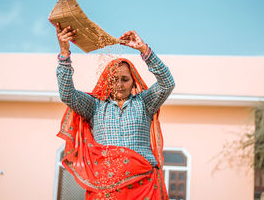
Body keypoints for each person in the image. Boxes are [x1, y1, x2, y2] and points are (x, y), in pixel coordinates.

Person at [55, 24, 175, 200]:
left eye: (125, 79)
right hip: (106, 189)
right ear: (106, 81)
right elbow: (67, 94)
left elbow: (167, 83)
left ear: (134, 83)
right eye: (114, 79)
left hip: (144, 186)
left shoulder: (144, 103)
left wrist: (144, 50)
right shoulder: (95, 106)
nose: (119, 84)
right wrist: (64, 53)